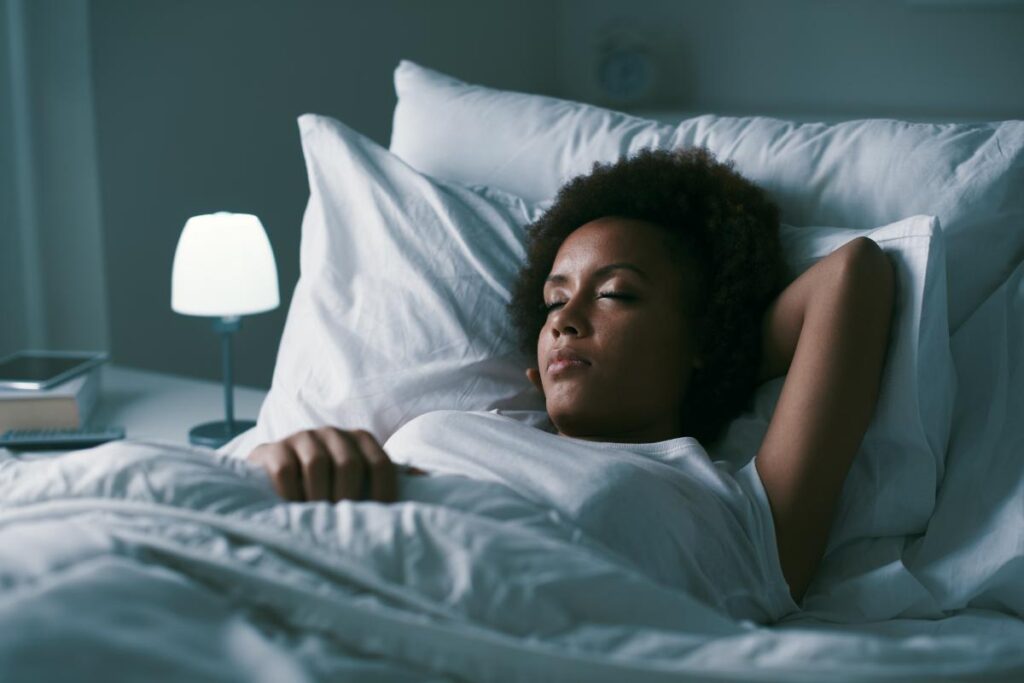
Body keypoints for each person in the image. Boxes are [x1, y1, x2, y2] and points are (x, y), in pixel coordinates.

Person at [248, 147, 895, 606]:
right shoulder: (477, 424)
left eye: (616, 293)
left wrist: (715, 348)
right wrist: (291, 459)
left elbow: (853, 274)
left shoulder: (742, 516)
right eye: (555, 302)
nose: (566, 320)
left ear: (700, 334)